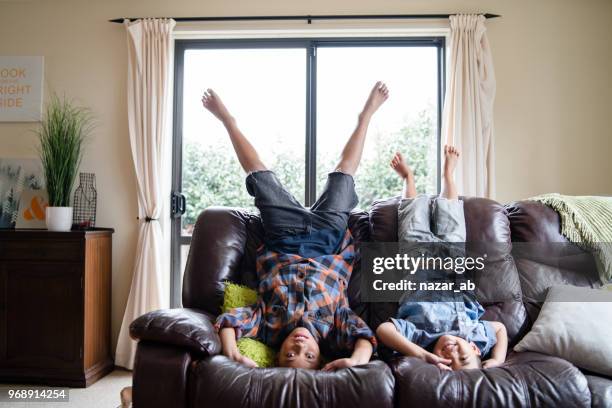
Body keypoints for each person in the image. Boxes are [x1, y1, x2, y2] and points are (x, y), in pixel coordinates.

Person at [203, 82, 389, 370]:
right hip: (328, 239)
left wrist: (233, 354)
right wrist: (353, 360)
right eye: (309, 356)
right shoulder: (335, 330)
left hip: (282, 238)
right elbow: (365, 337)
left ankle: (228, 121)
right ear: (321, 354)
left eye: (290, 355)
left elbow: (228, 322)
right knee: (343, 177)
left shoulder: (265, 325)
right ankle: (365, 117)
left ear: (276, 356)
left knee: (262, 179)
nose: (299, 346)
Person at [376, 146, 508, 370]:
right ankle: (448, 173)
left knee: (411, 216)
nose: (451, 353)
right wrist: (497, 359)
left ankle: (408, 177)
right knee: (451, 215)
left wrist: (422, 354)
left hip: (417, 262)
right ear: (475, 349)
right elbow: (500, 329)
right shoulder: (476, 336)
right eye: (463, 358)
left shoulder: (421, 338)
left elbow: (383, 330)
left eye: (447, 361)